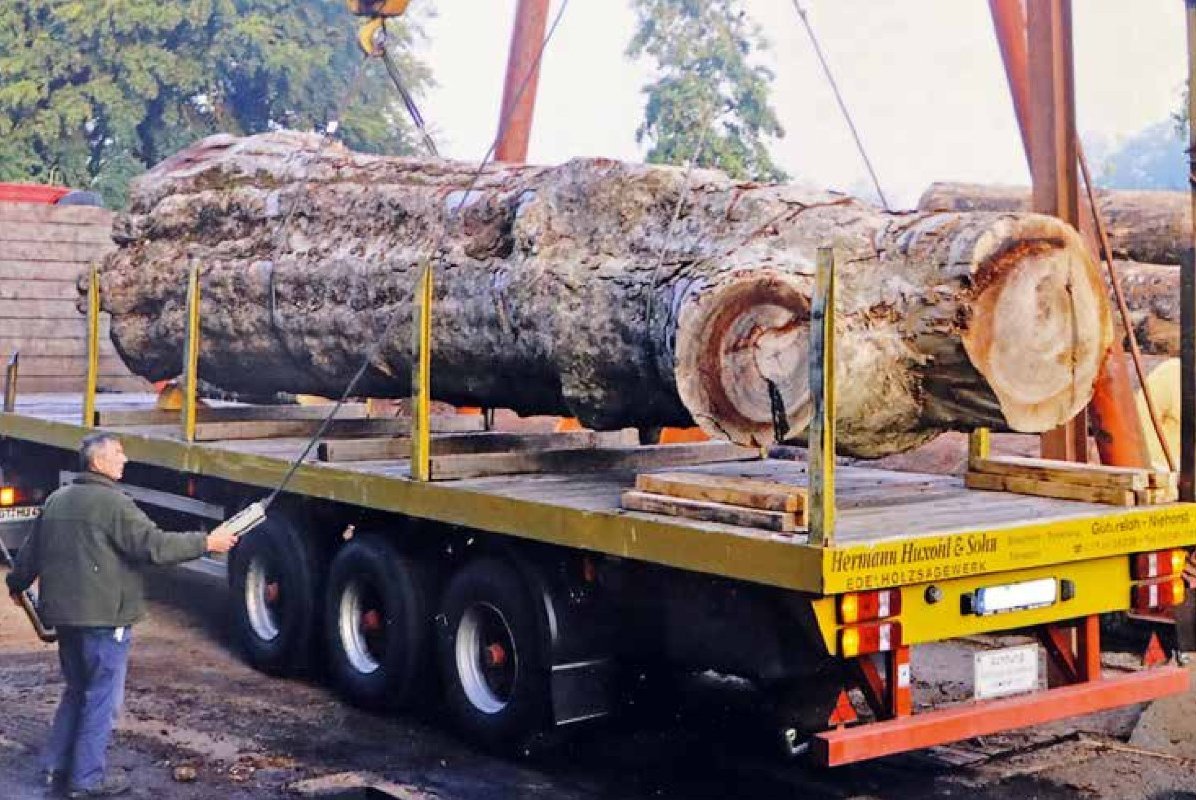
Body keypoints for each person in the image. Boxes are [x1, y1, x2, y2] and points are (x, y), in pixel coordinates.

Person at [5, 432, 238, 797]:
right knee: (101, 700)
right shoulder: (115, 505)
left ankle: (56, 767)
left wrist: (16, 585)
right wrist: (207, 542)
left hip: (65, 618)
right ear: (97, 463)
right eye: (118, 453)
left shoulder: (57, 499)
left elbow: (28, 557)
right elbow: (155, 547)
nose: (125, 459)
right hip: (104, 620)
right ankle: (87, 781)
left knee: (77, 690)